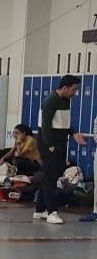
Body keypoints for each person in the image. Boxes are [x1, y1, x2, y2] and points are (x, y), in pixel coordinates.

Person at [35, 75, 87, 225]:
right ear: (65, 87)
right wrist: (50, 145)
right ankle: (52, 212)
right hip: (49, 145)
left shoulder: (65, 101)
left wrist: (73, 133)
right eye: (74, 89)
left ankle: (40, 210)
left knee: (49, 176)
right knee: (50, 178)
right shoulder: (50, 101)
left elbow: (63, 123)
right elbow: (45, 125)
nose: (75, 93)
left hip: (60, 143)